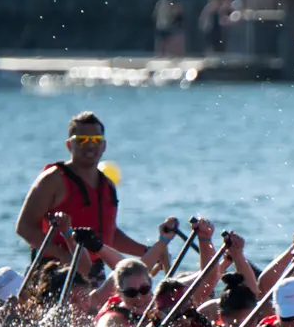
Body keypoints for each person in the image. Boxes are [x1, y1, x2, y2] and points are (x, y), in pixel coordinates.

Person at [14, 112, 174, 274]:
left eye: (96, 140)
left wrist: (148, 252)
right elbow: (24, 228)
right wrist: (64, 257)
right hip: (55, 270)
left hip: (95, 270)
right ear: (69, 145)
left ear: (104, 146)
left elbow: (109, 235)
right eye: (82, 139)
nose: (90, 145)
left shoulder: (107, 185)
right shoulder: (52, 180)